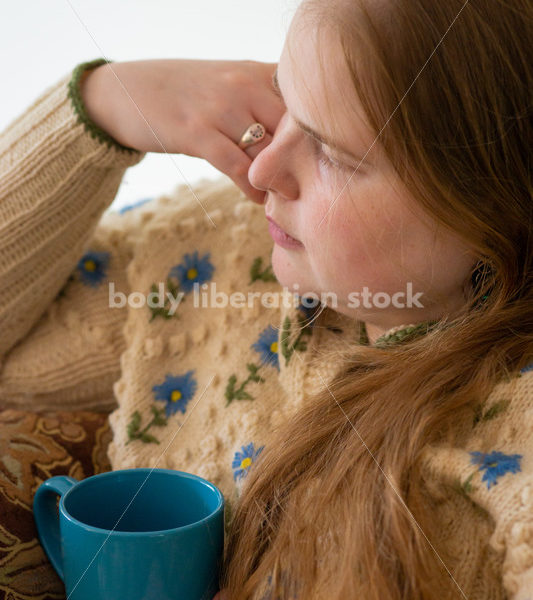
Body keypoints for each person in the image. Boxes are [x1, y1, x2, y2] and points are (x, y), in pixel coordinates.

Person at [0, 0, 531, 598]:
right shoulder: (216, 254)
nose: (263, 170)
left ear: (492, 207)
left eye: (334, 154)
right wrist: (106, 103)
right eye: (284, 101)